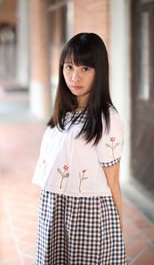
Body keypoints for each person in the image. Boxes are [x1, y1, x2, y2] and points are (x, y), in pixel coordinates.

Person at [32, 32, 127, 264]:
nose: (75, 76)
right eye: (69, 67)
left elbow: (113, 181)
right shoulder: (64, 114)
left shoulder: (107, 120)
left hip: (87, 215)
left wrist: (118, 232)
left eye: (85, 69)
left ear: (99, 72)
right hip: (56, 208)